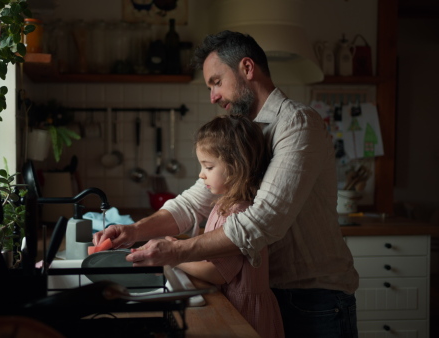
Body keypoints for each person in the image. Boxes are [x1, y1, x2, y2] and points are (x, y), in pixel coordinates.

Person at [93, 30, 359, 338]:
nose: (213, 97)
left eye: (216, 82)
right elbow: (195, 200)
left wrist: (177, 251)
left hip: (315, 299)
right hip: (271, 293)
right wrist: (135, 231)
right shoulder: (245, 131)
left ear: (247, 68)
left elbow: (263, 222)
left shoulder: (297, 123)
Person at [173, 114, 283, 338]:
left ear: (235, 168)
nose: (201, 174)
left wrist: (175, 257)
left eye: (208, 166)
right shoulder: (223, 205)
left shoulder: (239, 213)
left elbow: (216, 273)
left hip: (247, 314)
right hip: (233, 304)